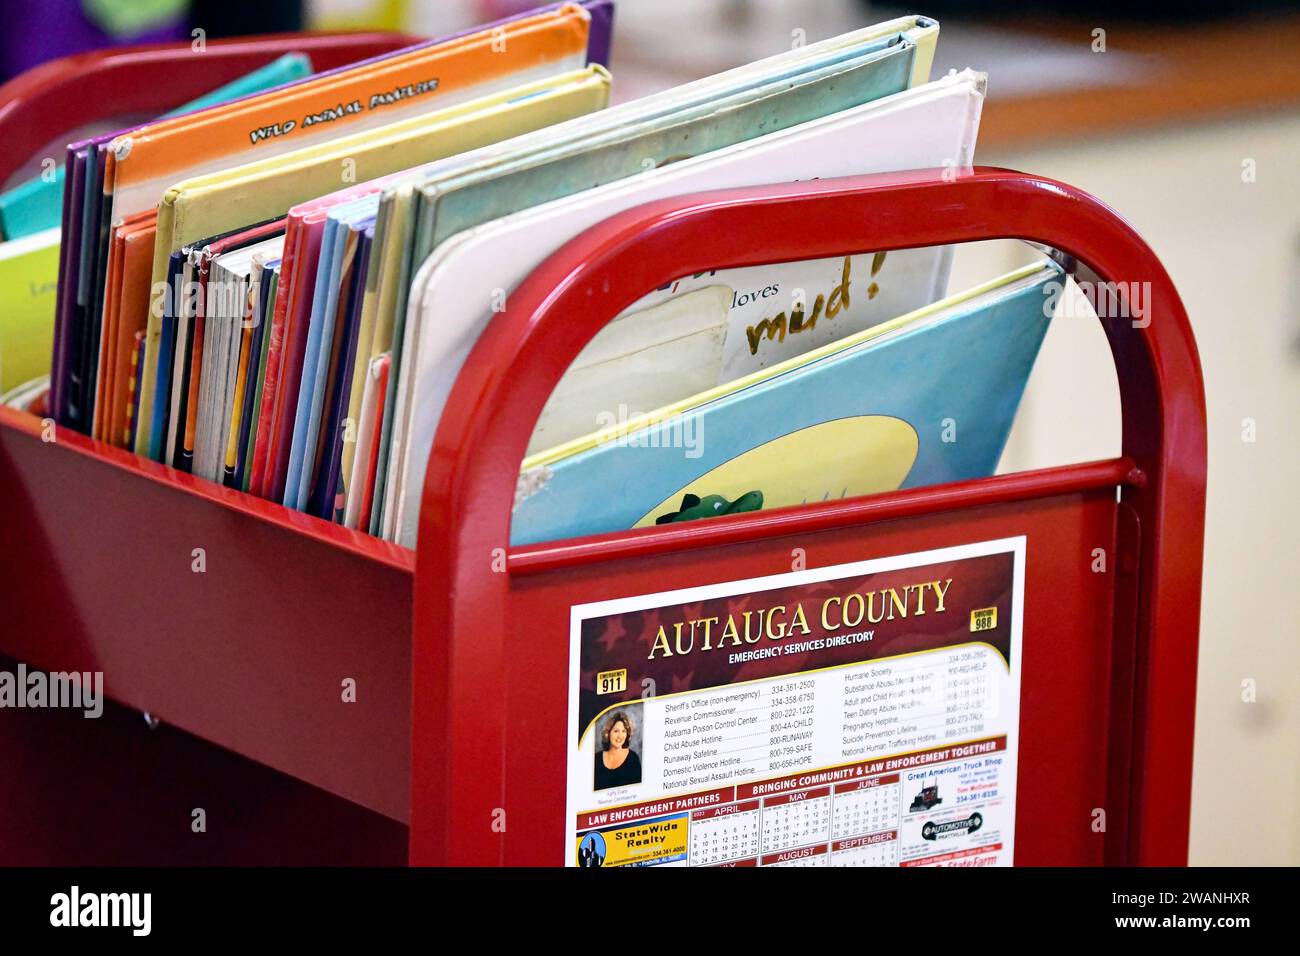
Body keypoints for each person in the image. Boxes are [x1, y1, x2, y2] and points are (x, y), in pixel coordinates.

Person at [594, 710, 641, 790]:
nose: (620, 736)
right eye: (616, 731)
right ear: (608, 733)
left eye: (624, 731)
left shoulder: (633, 759)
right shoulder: (596, 759)